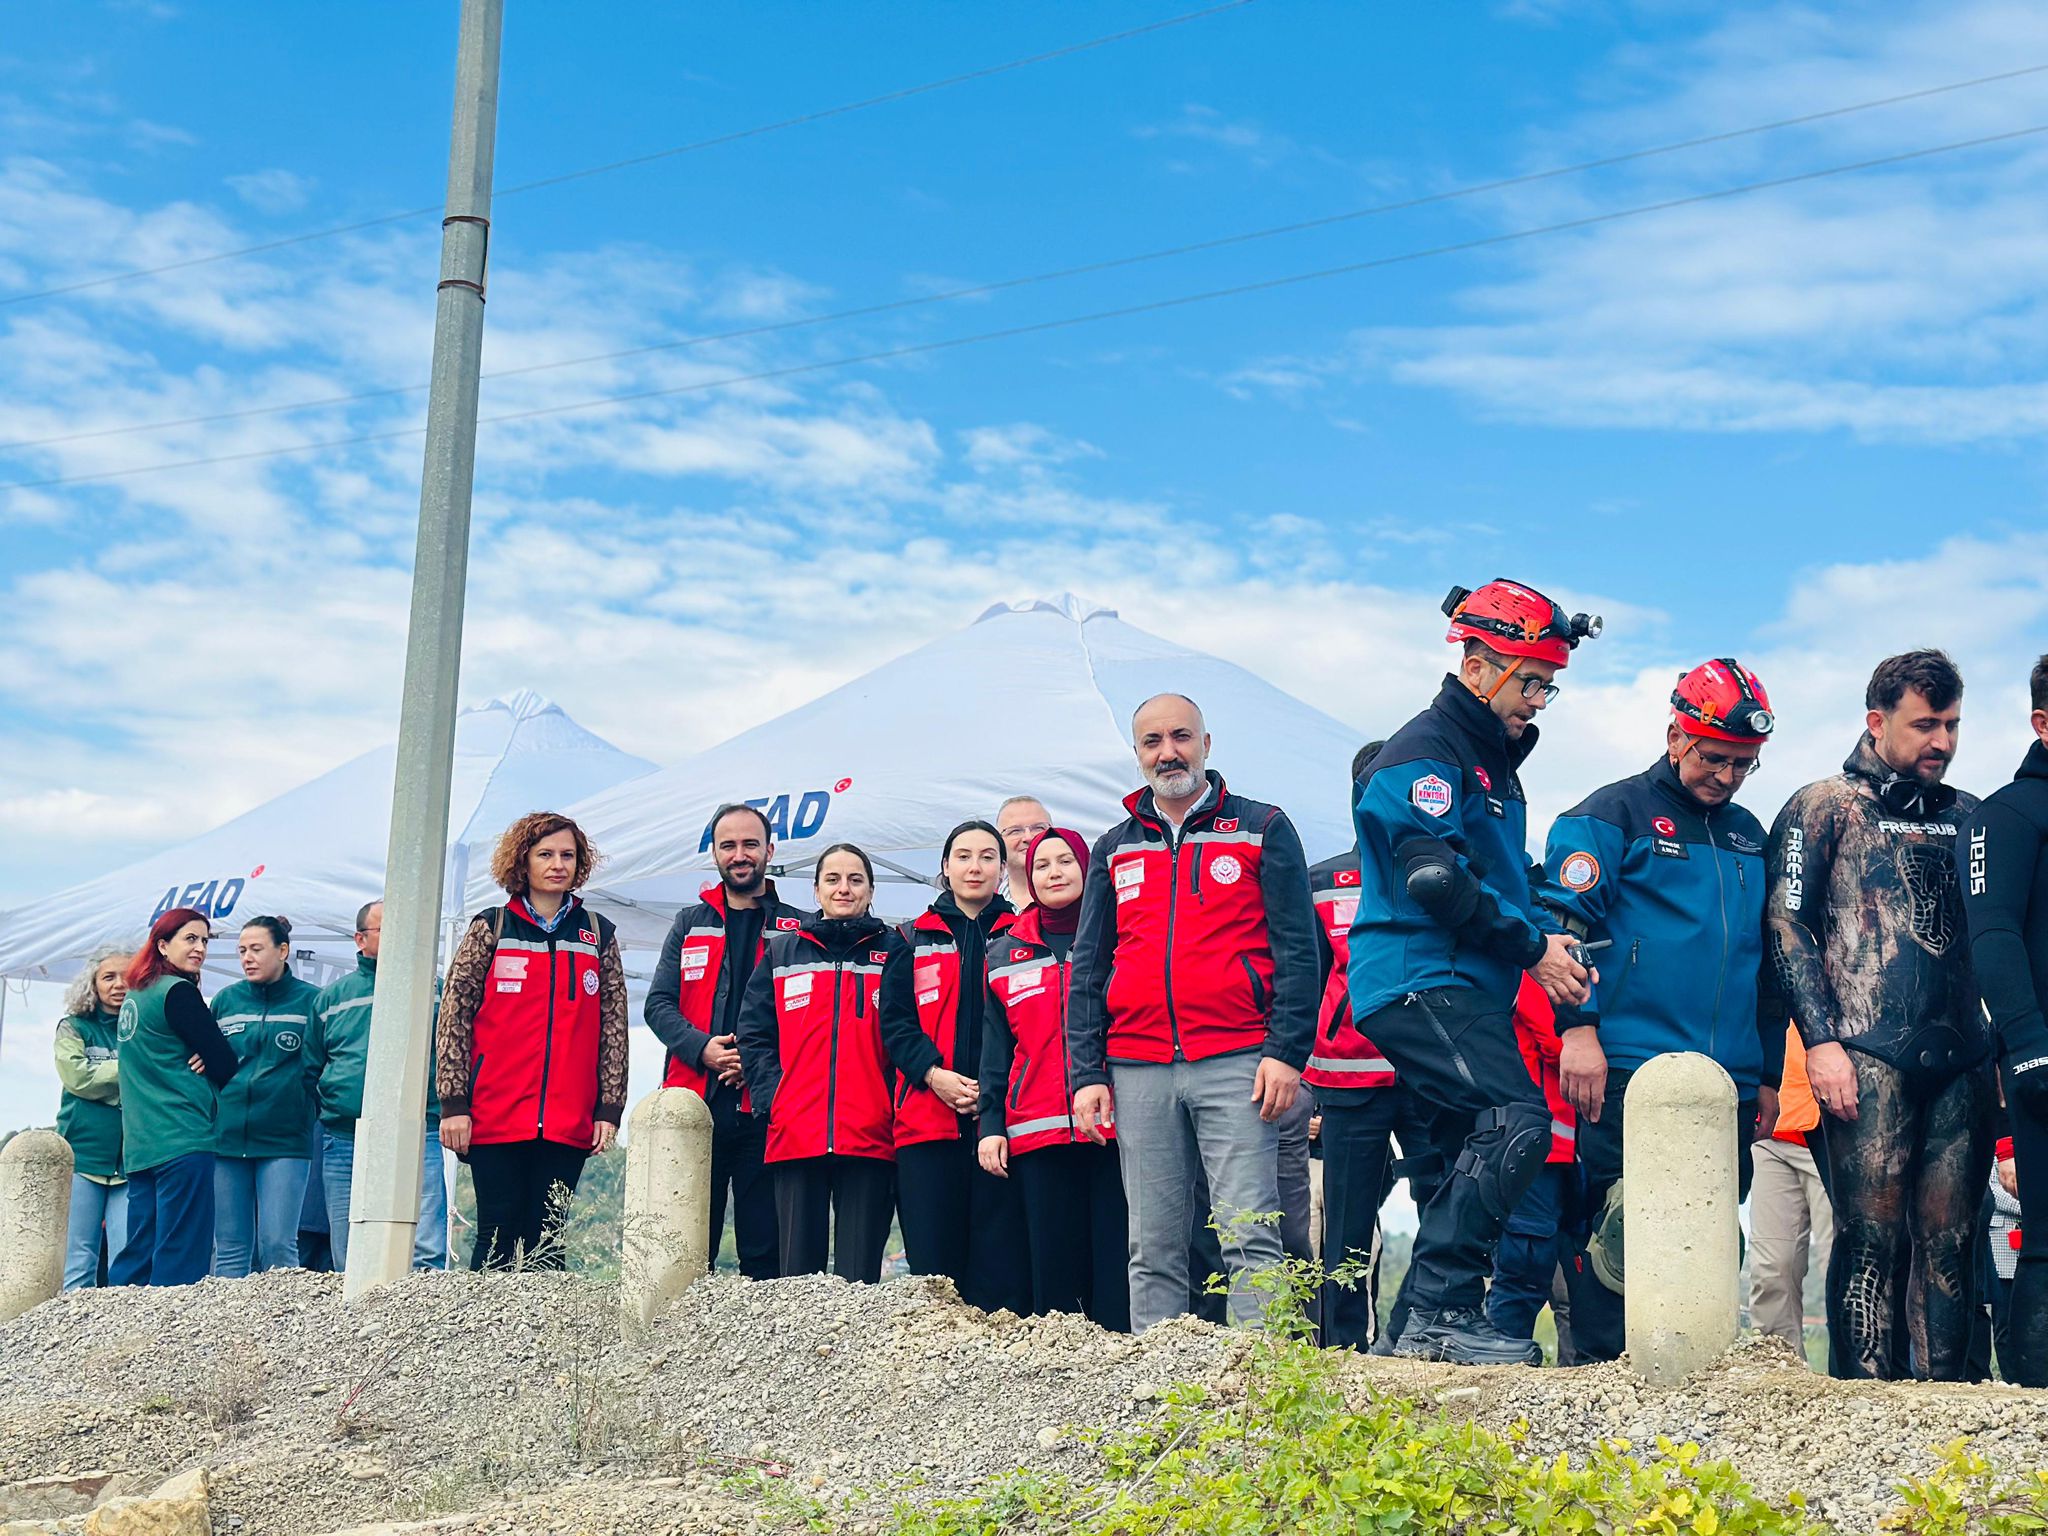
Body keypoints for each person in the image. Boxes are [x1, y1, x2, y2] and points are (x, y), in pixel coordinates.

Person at [1348, 579, 1600, 1365]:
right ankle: (1440, 1315)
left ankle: (1407, 1336)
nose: (1540, 700)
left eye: (1550, 686)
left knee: (1466, 1152)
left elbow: (1499, 876)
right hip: (1419, 977)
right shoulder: (1427, 751)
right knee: (1517, 1118)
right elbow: (1434, 879)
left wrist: (1552, 921)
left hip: (1458, 981)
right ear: (1479, 665)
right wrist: (1533, 950)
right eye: (1533, 682)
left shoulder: (1489, 762)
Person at [1541, 658, 1781, 1362]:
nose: (1728, 776)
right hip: (1626, 1068)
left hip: (1729, 1081)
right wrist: (1579, 1032)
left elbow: (1769, 962)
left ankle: (1694, 1380)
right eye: (1715, 758)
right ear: (1676, 736)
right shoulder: (1608, 815)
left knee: (1708, 1238)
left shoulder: (1749, 835)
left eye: (1744, 764)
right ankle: (1598, 1375)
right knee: (1616, 1234)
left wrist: (1767, 1074)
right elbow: (1562, 928)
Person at [1770, 649, 1991, 1380]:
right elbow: (1787, 927)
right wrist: (1821, 1041)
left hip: (1962, 1054)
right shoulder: (1822, 806)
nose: (1942, 741)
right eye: (1925, 724)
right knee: (1872, 1237)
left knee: (1954, 1240)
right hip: (1866, 1054)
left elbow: (2000, 936)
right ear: (1877, 721)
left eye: (1951, 725)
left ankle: (1946, 1405)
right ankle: (1864, 1404)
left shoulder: (1970, 816)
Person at [1067, 693, 1317, 1331]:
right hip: (1136, 1066)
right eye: (1152, 742)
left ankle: (1265, 1379)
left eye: (1181, 737)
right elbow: (1088, 969)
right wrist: (1086, 1074)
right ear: (1137, 754)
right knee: (1151, 1247)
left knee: (1250, 1236)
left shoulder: (1263, 827)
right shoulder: (1113, 847)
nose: (1168, 752)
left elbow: (1299, 950)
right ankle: (1159, 1381)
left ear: (1206, 744)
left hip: (1240, 1062)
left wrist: (1287, 1053)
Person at [435, 813, 630, 1272]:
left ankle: (547, 1323)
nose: (557, 864)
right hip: (493, 1110)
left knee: (548, 1241)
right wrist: (453, 1102)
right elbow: (453, 1017)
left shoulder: (598, 933)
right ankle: (486, 1318)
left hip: (569, 1115)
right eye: (545, 854)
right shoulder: (492, 926)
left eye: (567, 855)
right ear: (522, 861)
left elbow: (614, 1025)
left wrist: (609, 1108)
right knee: (497, 1235)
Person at [646, 803, 811, 1280]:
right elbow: (658, 1004)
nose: (740, 855)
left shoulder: (800, 928)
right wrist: (703, 1048)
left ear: (769, 851)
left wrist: (756, 1062)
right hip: (695, 1108)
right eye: (729, 846)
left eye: (750, 844)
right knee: (685, 1250)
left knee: (766, 1251)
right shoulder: (688, 923)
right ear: (715, 853)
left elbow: (811, 1018)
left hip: (768, 1109)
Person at [978, 827, 1129, 1329]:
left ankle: (1118, 1362)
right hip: (1035, 1131)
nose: (1054, 873)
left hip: (1113, 1129)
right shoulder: (1003, 952)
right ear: (1029, 877)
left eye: (1065, 861)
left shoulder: (1119, 937)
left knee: (1115, 1263)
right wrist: (990, 1125)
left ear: (1087, 868)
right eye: (1042, 865)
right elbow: (995, 1052)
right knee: (1053, 1270)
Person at [883, 819, 1030, 1313]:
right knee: (934, 1276)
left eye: (988, 857)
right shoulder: (908, 938)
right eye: (963, 856)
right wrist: (933, 1075)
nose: (975, 867)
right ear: (945, 866)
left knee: (1001, 1274)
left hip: (1004, 1126)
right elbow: (895, 1025)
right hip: (927, 1123)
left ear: (1003, 868)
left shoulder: (1022, 936)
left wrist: (995, 1094)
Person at [735, 843, 896, 1281]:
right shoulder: (783, 953)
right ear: (816, 889)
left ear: (870, 890)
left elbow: (906, 1034)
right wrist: (775, 1100)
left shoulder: (894, 951)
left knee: (859, 1281)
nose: (844, 889)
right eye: (833, 879)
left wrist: (888, 1102)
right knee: (797, 1283)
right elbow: (754, 1033)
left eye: (855, 880)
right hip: (796, 1132)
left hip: (871, 1133)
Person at [1957, 651, 2048, 1385]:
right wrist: (2029, 1044)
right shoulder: (2006, 814)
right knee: (2045, 1239)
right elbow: (1993, 935)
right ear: (2042, 724)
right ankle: (2032, 1406)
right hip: (2040, 1055)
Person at [1303, 742, 1400, 1350]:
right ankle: (1342, 1353)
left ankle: (1420, 1338)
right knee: (1344, 1228)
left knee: (1449, 1208)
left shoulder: (1453, 873)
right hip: (1347, 1076)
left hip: (1433, 1075)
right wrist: (1309, 1092)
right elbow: (1305, 985)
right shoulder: (1320, 881)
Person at [308, 900, 451, 1272]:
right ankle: (355, 1309)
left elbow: (453, 1055)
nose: (400, 935)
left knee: (426, 1245)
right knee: (348, 1248)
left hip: (419, 1130)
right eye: (388, 928)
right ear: (360, 939)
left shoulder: (435, 990)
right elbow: (310, 1068)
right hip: (344, 1135)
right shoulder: (331, 999)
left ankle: (426, 1305)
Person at [107, 908, 240, 1287]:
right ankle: (168, 1327)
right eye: (190, 939)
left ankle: (117, 1319)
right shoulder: (178, 992)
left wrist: (202, 1053)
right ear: (163, 945)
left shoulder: (135, 995)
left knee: (139, 1253)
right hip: (182, 1137)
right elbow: (225, 1062)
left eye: (205, 941)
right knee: (180, 1257)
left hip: (141, 1144)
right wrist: (208, 1057)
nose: (200, 948)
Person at [207, 915, 321, 1276]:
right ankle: (227, 1315)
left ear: (283, 950)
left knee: (277, 1244)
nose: (247, 958)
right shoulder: (225, 1001)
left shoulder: (312, 1001)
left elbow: (321, 1066)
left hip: (285, 1141)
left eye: (256, 949)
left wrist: (305, 1111)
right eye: (242, 950)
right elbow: (206, 1064)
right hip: (226, 1140)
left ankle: (284, 1314)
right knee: (229, 1248)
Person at [1487, 977, 1579, 1352]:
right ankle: (1501, 1365)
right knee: (1523, 1271)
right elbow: (1561, 1047)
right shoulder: (1535, 972)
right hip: (1537, 1147)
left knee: (1572, 1276)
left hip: (1564, 1147)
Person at [1748, 1026, 1834, 1363]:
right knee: (1771, 1269)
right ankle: (1778, 1375)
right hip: (1771, 1129)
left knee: (1841, 1264)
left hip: (1835, 1124)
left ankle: (1856, 1377)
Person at [54, 945, 132, 1289]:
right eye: (109, 977)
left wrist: (104, 1081)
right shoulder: (73, 1027)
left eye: (127, 976)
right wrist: (128, 1071)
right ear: (93, 983)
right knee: (78, 1260)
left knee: (126, 1262)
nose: (119, 984)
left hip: (131, 1161)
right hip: (81, 1156)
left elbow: (154, 1081)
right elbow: (77, 1078)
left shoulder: (146, 1029)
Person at [996, 796, 1053, 898]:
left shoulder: (1081, 898)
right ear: (998, 841)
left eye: (1038, 828)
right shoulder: (983, 902)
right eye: (1015, 831)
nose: (1028, 837)